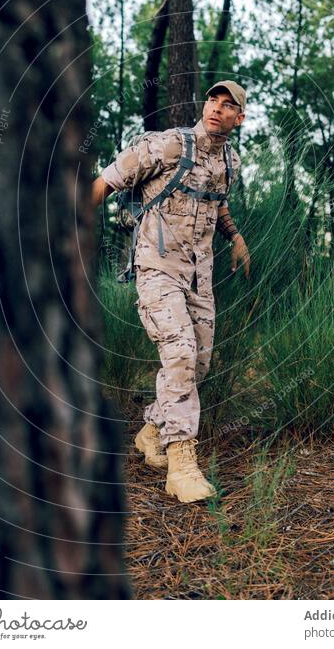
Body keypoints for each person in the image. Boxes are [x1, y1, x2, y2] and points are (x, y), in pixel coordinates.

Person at [91, 81, 250, 503]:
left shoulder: (230, 160)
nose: (216, 108)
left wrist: (235, 237)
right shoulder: (169, 146)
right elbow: (104, 181)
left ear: (240, 118)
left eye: (228, 105)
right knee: (178, 351)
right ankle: (181, 463)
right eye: (213, 100)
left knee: (197, 364)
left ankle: (149, 433)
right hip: (157, 270)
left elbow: (216, 201)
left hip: (200, 275)